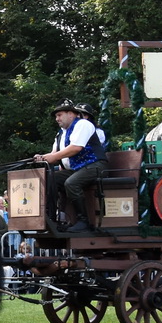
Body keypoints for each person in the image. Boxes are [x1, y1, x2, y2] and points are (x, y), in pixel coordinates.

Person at [33, 99, 107, 235]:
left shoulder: (83, 124)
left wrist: (54, 157)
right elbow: (55, 154)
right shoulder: (62, 133)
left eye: (59, 115)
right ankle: (51, 217)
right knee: (49, 178)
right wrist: (43, 157)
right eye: (56, 116)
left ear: (71, 114)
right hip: (78, 168)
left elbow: (76, 148)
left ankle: (83, 221)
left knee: (71, 183)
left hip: (96, 165)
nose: (57, 119)